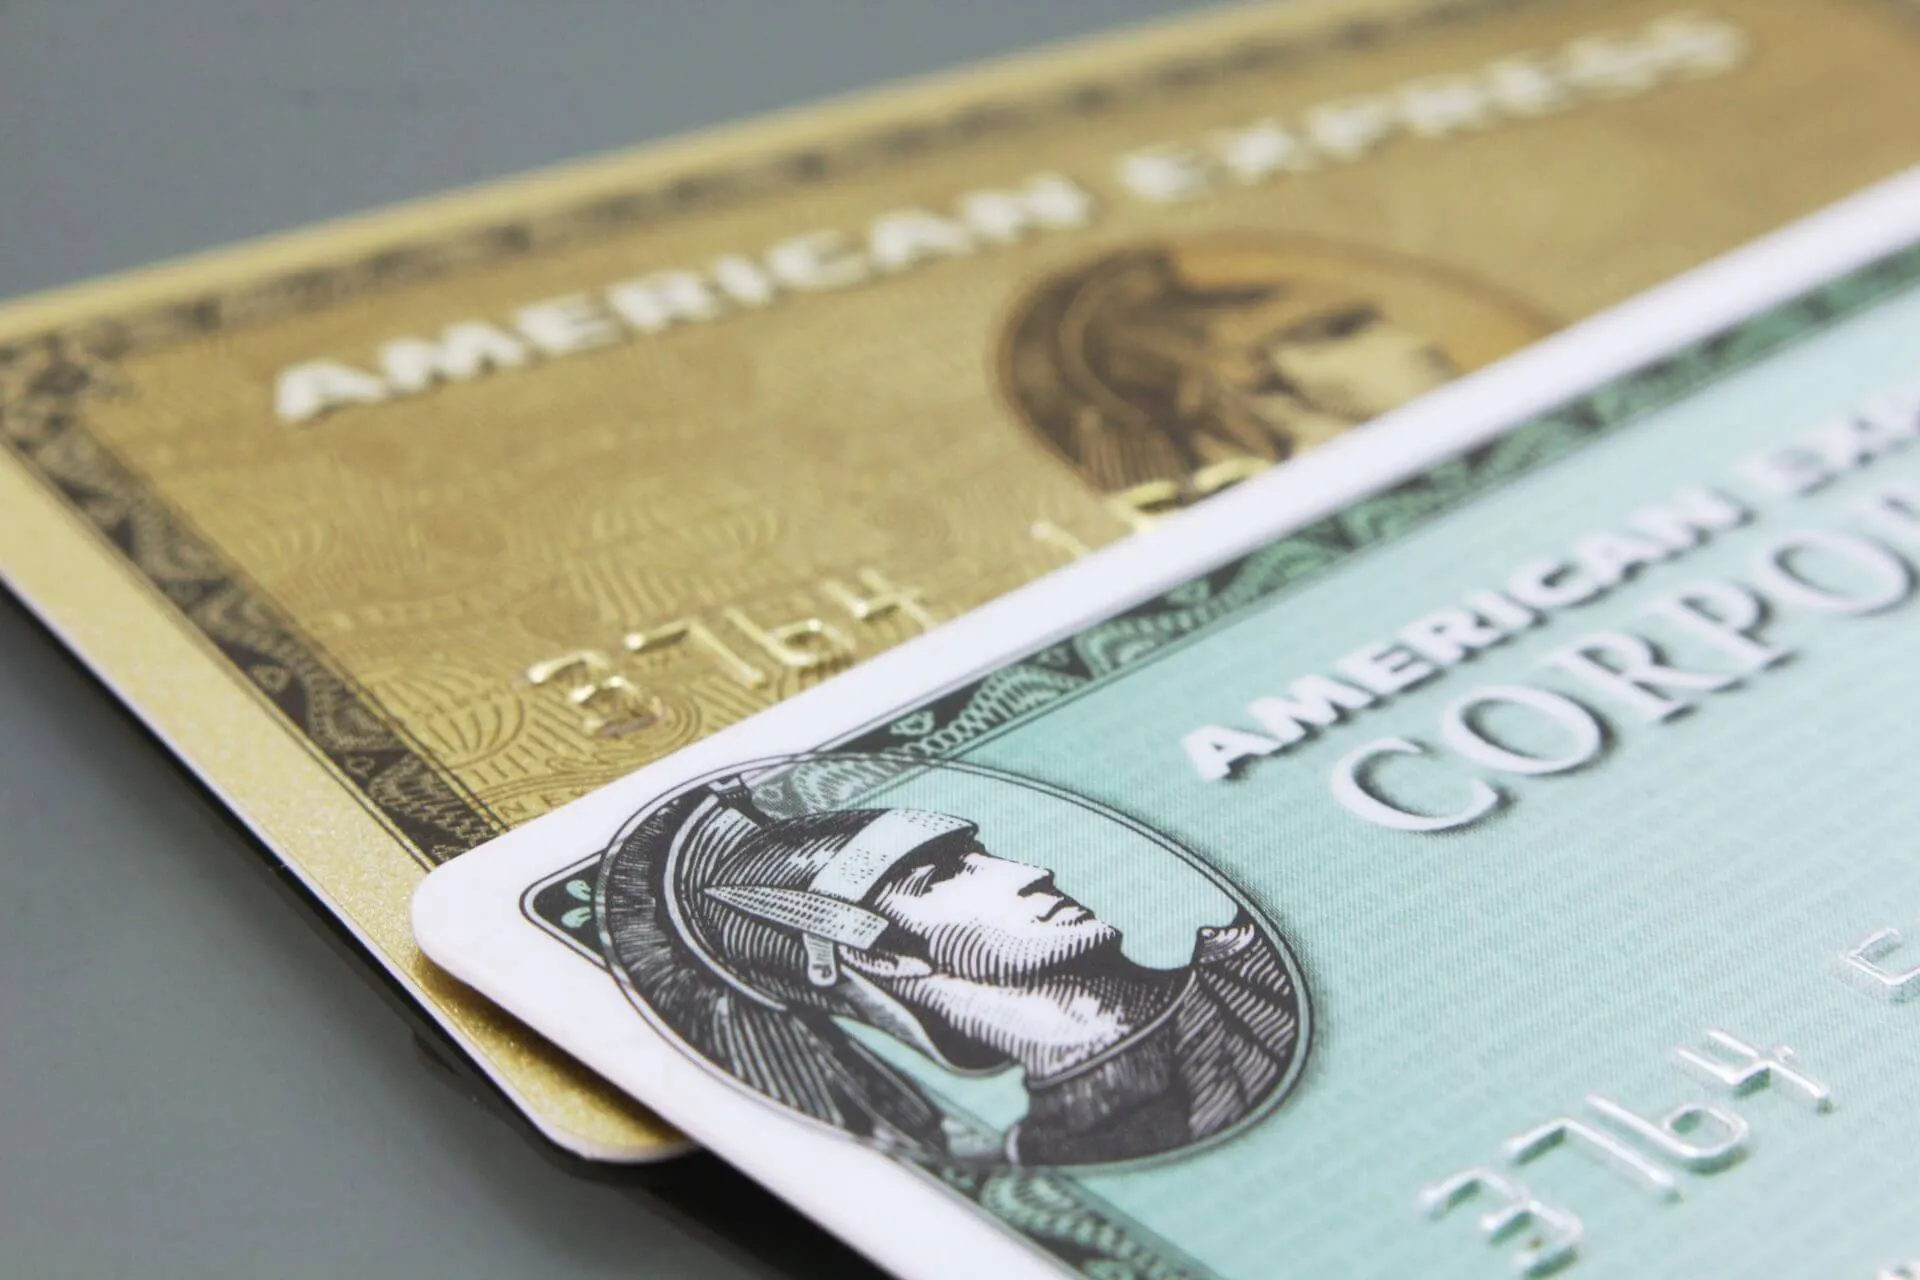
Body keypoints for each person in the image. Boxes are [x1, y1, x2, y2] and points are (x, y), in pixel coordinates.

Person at [616, 777, 1303, 1165]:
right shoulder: (1057, 1158)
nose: (1032, 872)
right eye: (940, 875)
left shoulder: (1254, 966)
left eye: (979, 855)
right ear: (873, 952)